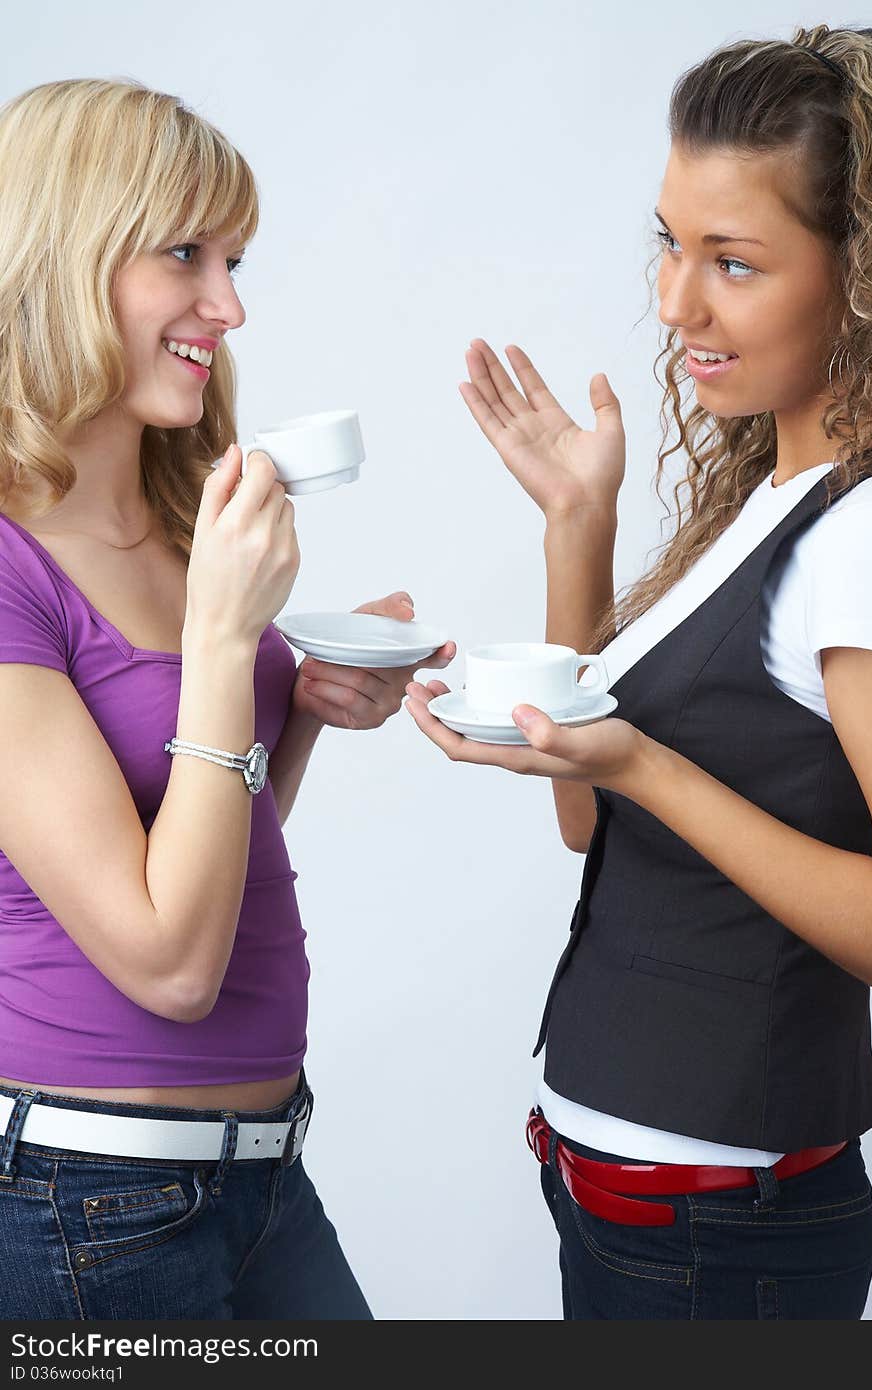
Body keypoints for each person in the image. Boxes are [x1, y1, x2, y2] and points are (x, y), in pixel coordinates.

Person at [406, 23, 872, 1319]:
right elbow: (587, 811)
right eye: (670, 242)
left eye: (732, 261)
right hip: (636, 1204)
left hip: (722, 1236)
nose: (676, 301)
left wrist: (648, 765)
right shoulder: (772, 498)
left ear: (864, 278)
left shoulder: (861, 538)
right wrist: (578, 524)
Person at [0, 77, 454, 1320]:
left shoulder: (179, 513)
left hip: (260, 1181)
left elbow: (199, 851)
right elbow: (169, 964)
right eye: (186, 255)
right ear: (64, 255)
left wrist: (297, 702)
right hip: (83, 1206)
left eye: (236, 259)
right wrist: (221, 638)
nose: (230, 305)